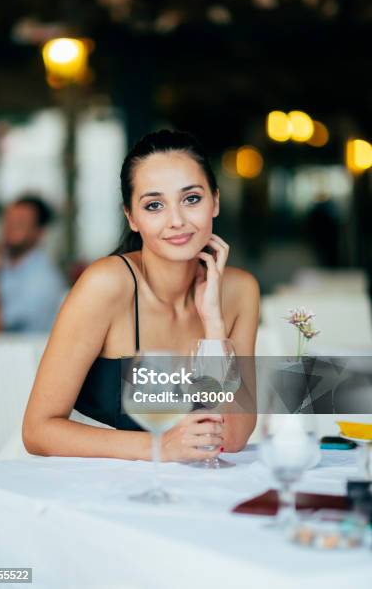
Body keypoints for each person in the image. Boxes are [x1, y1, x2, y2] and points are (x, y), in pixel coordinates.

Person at [22, 130, 259, 462]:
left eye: (191, 199)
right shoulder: (106, 284)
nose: (176, 221)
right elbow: (37, 430)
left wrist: (214, 329)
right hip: (81, 483)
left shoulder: (240, 291)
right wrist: (159, 448)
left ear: (215, 201)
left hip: (182, 488)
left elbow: (232, 438)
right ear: (132, 217)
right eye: (154, 205)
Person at [0, 195, 67, 333]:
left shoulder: (45, 281)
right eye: (8, 221)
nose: (10, 228)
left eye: (20, 223)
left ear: (40, 232)